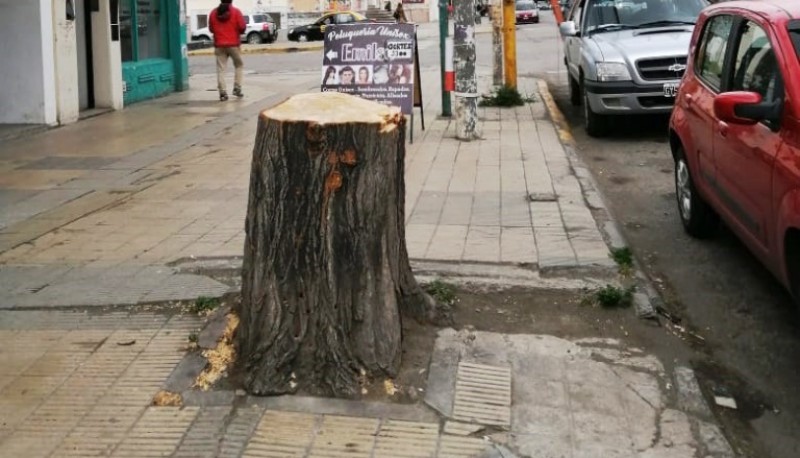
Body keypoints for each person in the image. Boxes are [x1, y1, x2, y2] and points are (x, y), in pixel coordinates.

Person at [209, 0, 246, 101]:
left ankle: (223, 92)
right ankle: (237, 88)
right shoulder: (236, 12)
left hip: (219, 45)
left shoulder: (213, 13)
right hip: (234, 44)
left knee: (221, 69)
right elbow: (242, 27)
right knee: (239, 65)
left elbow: (211, 29)